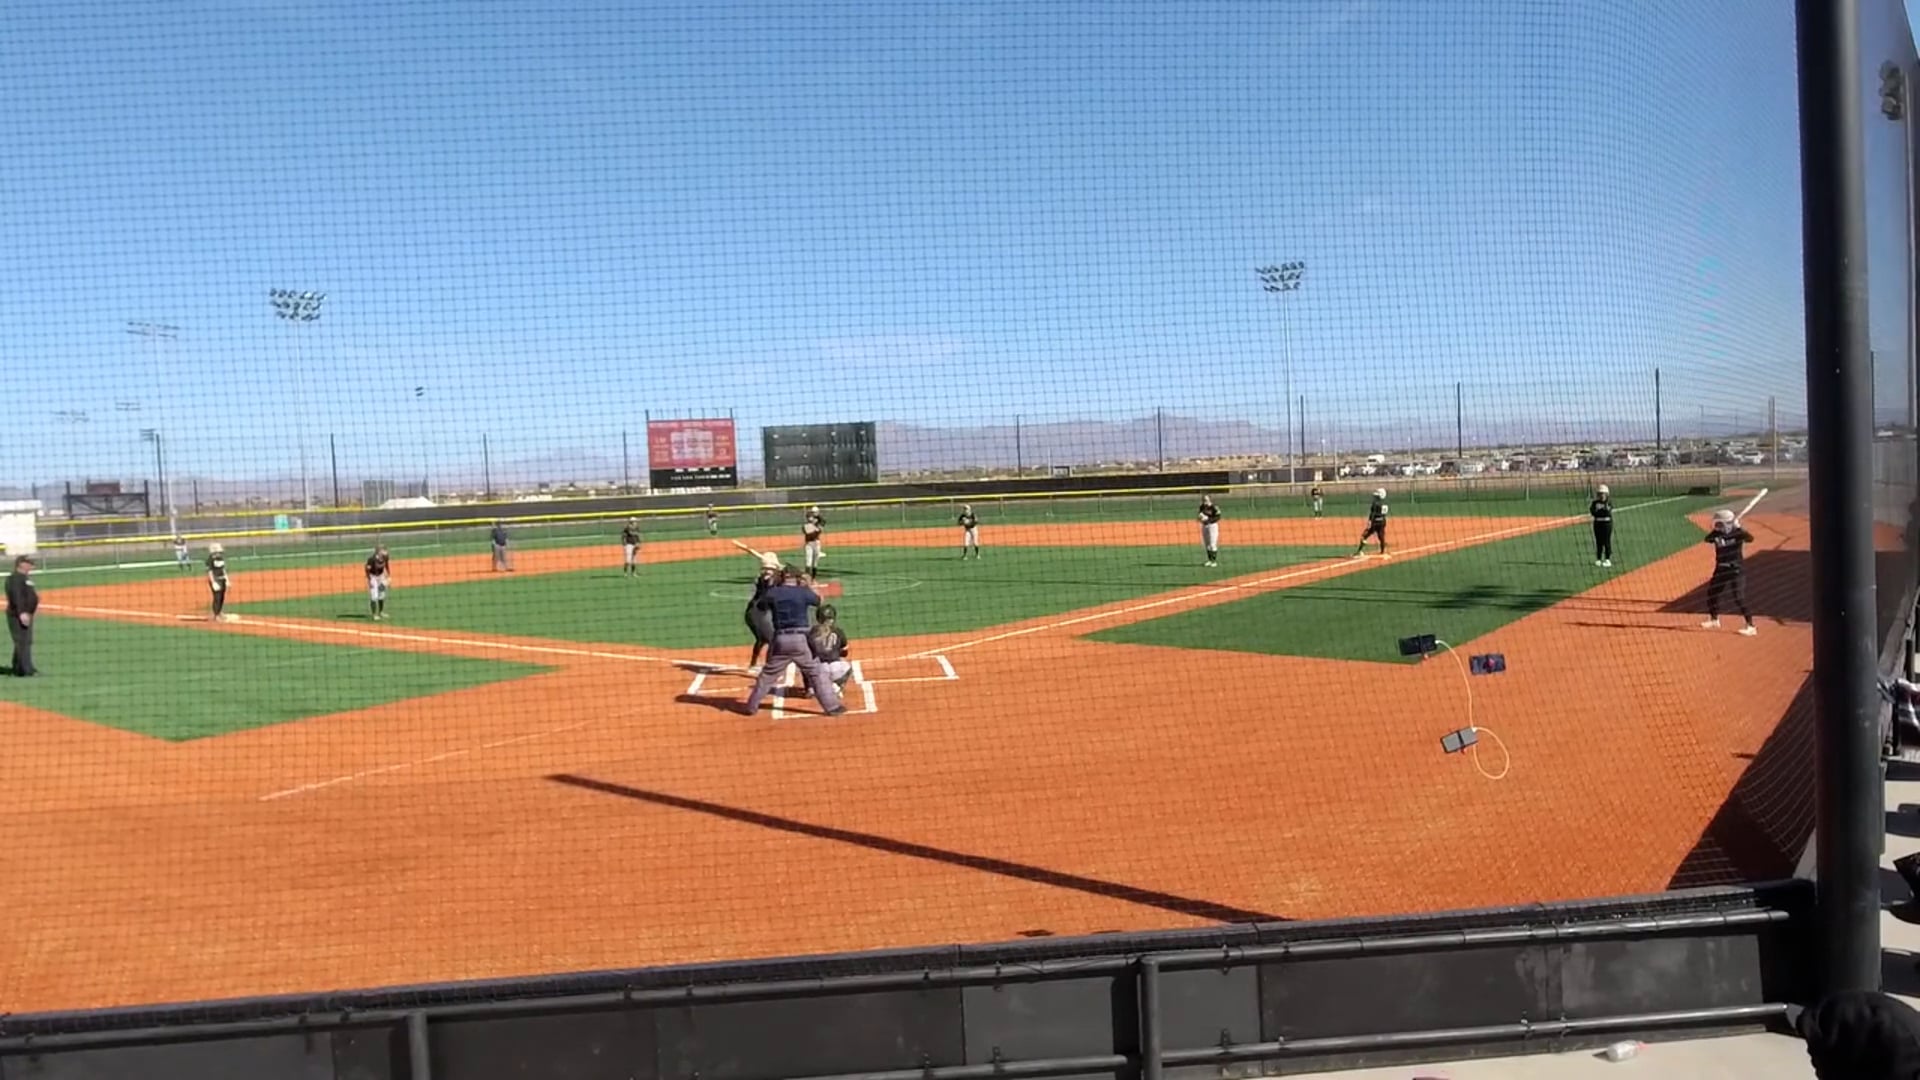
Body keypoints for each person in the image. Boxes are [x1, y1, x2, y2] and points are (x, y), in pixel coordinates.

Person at [740, 566, 845, 716]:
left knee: (767, 675)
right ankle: (832, 707)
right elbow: (819, 601)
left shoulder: (773, 592)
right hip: (801, 640)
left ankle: (751, 706)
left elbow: (761, 605)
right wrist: (809, 585)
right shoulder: (802, 591)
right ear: (796, 578)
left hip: (780, 640)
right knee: (816, 673)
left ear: (782, 577)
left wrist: (772, 588)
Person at [1702, 508, 1757, 636]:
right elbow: (1707, 539)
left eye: (1719, 523)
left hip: (1736, 569)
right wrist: (1717, 533)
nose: (1717, 526)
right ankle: (1714, 619)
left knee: (1738, 597)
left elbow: (1750, 539)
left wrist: (1739, 528)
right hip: (1721, 569)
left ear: (1727, 523)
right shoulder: (1716, 534)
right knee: (1712, 594)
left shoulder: (1738, 533)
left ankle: (1751, 626)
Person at [807, 603, 854, 694]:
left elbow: (809, 650)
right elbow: (845, 652)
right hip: (836, 669)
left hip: (819, 670)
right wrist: (835, 652)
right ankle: (837, 684)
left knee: (807, 663)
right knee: (849, 668)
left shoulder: (813, 631)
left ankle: (811, 687)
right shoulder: (838, 631)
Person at [744, 551, 780, 671]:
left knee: (762, 639)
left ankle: (753, 664)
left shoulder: (773, 578)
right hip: (756, 613)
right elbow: (769, 584)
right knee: (771, 640)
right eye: (767, 569)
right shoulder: (764, 579)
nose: (768, 571)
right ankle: (770, 667)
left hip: (760, 613)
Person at [6, 554, 39, 677]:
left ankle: (18, 667)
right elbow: (17, 597)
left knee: (25, 641)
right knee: (22, 642)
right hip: (18, 615)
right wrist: (22, 613)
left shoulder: (24, 578)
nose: (32, 566)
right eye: (29, 563)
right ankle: (26, 670)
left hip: (26, 614)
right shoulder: (15, 579)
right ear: (21, 564)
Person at [1353, 488, 1389, 558]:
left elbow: (1372, 514)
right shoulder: (1385, 504)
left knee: (1364, 536)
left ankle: (1359, 551)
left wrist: (1370, 521)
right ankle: (1382, 551)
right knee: (1381, 537)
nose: (1375, 497)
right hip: (1382, 522)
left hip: (1375, 523)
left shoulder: (1375, 504)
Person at [206, 542, 233, 622]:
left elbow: (223, 569)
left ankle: (220, 612)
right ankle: (216, 614)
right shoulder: (210, 559)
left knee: (222, 597)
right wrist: (213, 582)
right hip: (215, 579)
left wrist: (227, 579)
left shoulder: (221, 558)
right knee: (217, 597)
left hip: (222, 579)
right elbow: (210, 572)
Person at [1590, 484, 1614, 568]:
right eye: (1600, 494)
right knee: (1598, 542)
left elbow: (1607, 512)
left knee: (1606, 541)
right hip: (1597, 523)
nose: (1601, 495)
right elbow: (1593, 512)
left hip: (1607, 524)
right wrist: (1600, 512)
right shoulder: (1595, 503)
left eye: (1603, 493)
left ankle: (1607, 559)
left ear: (1606, 494)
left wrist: (1600, 512)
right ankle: (1598, 559)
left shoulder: (1608, 502)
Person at [365, 545, 392, 621]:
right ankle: (374, 615)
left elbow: (386, 565)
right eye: (384, 550)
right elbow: (367, 569)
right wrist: (369, 579)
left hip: (381, 576)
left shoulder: (385, 557)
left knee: (382, 595)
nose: (386, 552)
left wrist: (388, 575)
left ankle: (381, 612)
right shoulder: (372, 559)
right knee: (374, 597)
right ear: (378, 552)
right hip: (373, 577)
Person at [1198, 495, 1222, 567]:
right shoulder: (1202, 507)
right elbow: (1199, 515)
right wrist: (1200, 518)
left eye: (1206, 499)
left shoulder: (1214, 507)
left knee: (1212, 544)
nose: (1204, 501)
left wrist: (1208, 519)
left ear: (1210, 500)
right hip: (1204, 526)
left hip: (1212, 526)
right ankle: (1209, 560)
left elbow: (1218, 517)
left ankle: (1214, 561)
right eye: (1203, 499)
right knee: (1207, 544)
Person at [802, 506, 825, 575]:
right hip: (809, 544)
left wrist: (818, 517)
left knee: (815, 561)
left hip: (816, 543)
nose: (811, 518)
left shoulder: (816, 524)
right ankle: (807, 576)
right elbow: (810, 534)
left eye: (812, 517)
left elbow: (823, 522)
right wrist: (817, 529)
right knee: (808, 560)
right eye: (809, 517)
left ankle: (813, 577)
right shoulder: (805, 526)